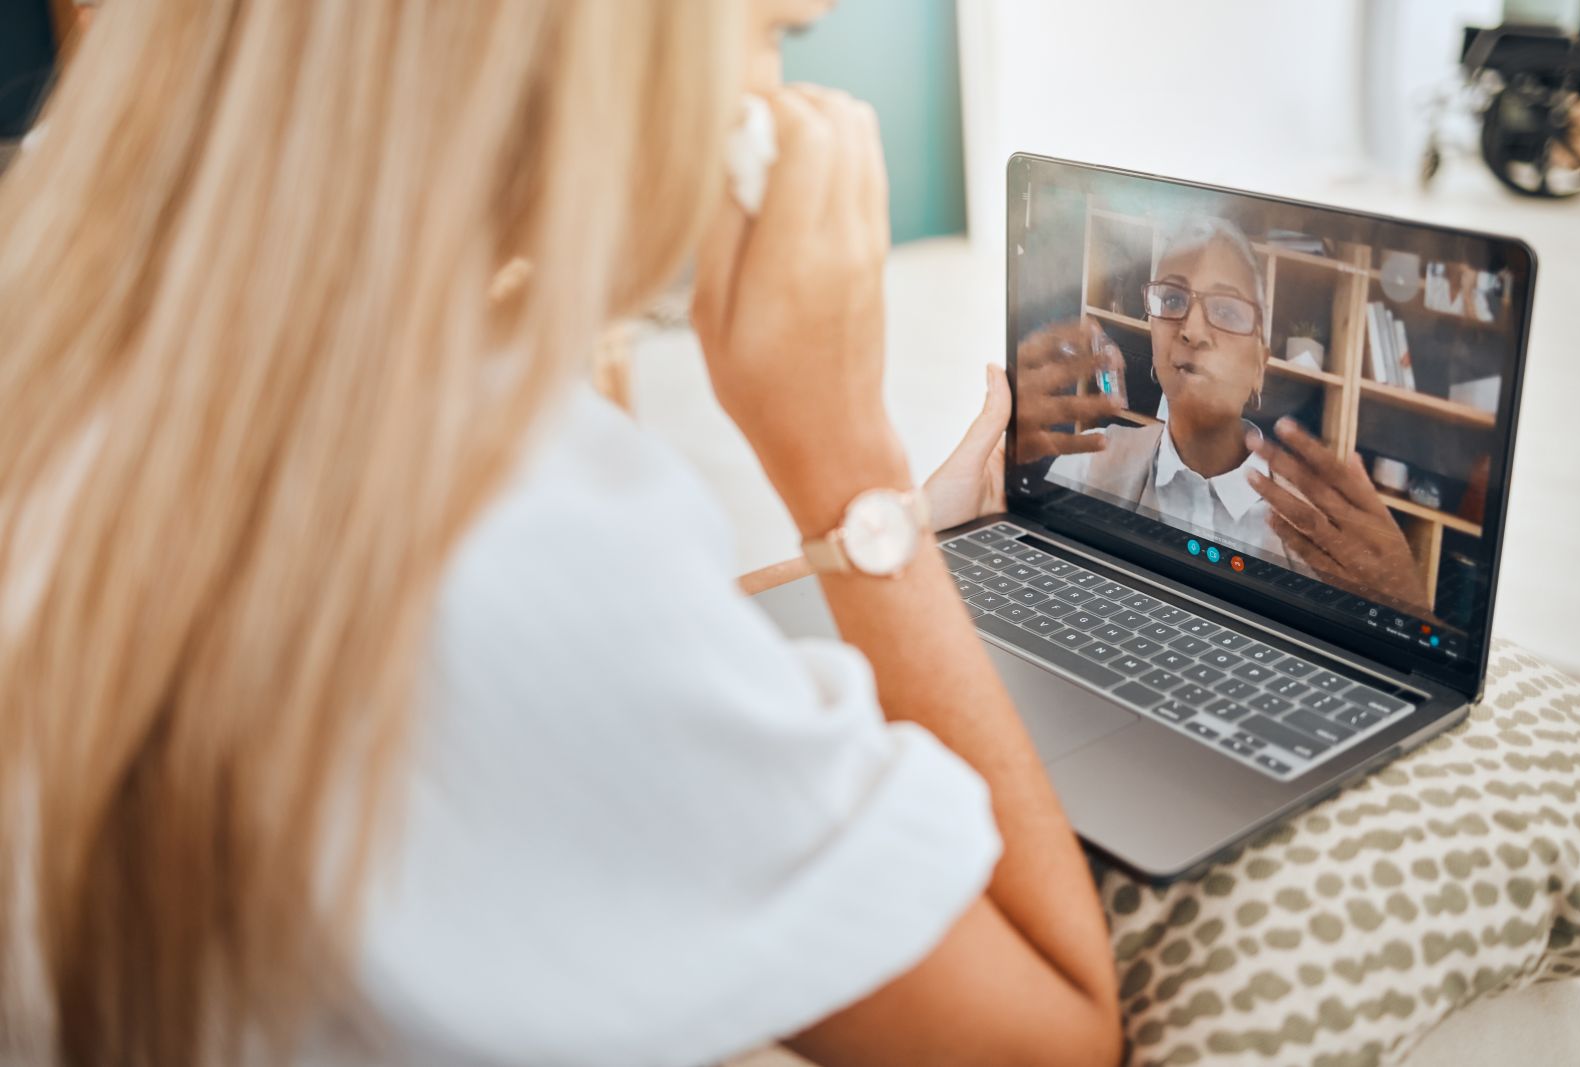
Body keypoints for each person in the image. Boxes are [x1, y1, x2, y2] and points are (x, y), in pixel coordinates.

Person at [0, 2, 1121, 1066]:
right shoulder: (509, 513)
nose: (781, 100)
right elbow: (1053, 1035)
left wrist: (898, 528)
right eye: (773, 35)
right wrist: (843, 455)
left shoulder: (68, 263)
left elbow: (581, 679)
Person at [1023, 217, 1429, 615]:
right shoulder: (1084, 466)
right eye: (1173, 300)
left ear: (1259, 367)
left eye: (1228, 311)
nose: (1192, 330)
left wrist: (1408, 613)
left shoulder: (1323, 538)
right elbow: (1038, 599)